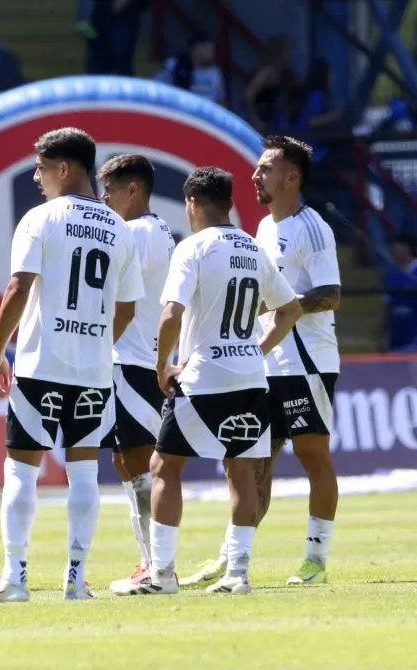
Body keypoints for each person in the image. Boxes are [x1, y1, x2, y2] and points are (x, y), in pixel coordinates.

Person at [0, 128, 144, 603]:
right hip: (93, 371)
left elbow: (18, 286)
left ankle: (16, 579)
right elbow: (127, 306)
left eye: (41, 168)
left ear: (64, 169)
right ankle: (75, 580)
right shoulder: (119, 229)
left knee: (21, 471)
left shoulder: (40, 219)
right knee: (84, 473)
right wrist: (99, 344)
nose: (38, 178)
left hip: (42, 363)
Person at [124, 166, 302, 596]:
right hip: (249, 378)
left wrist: (163, 364)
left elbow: (170, 314)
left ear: (192, 203)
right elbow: (291, 308)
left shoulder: (194, 248)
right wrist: (256, 350)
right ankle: (237, 574)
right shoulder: (254, 249)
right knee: (242, 473)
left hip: (202, 376)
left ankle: (163, 574)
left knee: (164, 467)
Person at [180, 136, 342, 588]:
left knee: (313, 457)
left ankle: (315, 559)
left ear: (292, 177)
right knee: (251, 464)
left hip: (307, 362)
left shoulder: (311, 227)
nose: (255, 175)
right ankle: (231, 559)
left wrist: (279, 306)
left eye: (266, 168)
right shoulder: (263, 230)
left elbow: (331, 295)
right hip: (264, 360)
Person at [95, 154, 176, 594]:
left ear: (132, 189)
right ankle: (150, 560)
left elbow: (120, 300)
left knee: (141, 461)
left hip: (135, 360)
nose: (104, 200)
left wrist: (98, 345)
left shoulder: (136, 234)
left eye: (108, 190)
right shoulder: (156, 229)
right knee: (126, 458)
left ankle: (159, 565)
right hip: (135, 359)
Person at [381, 233, 417, 352]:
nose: (394, 249)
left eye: (397, 246)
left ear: (407, 248)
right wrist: (383, 334)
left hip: (416, 335)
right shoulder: (391, 274)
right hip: (396, 336)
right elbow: (388, 307)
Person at [154, 32, 226, 106]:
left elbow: (220, 100)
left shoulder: (215, 72)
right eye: (209, 50)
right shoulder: (175, 64)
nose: (212, 54)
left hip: (206, 114)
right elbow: (157, 87)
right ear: (197, 48)